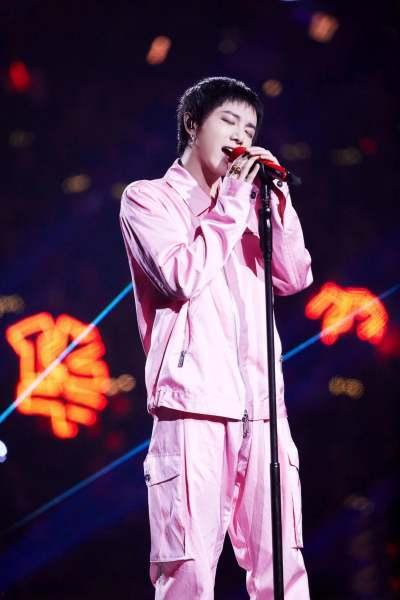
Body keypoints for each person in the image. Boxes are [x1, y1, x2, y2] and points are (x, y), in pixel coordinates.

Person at [119, 76, 313, 599]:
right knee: (188, 572)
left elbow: (295, 277)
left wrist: (274, 204)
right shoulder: (149, 199)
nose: (241, 136)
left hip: (264, 412)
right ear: (192, 125)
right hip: (194, 409)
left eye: (250, 128)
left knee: (284, 567)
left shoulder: (249, 208)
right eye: (229, 121)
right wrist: (230, 205)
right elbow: (180, 275)